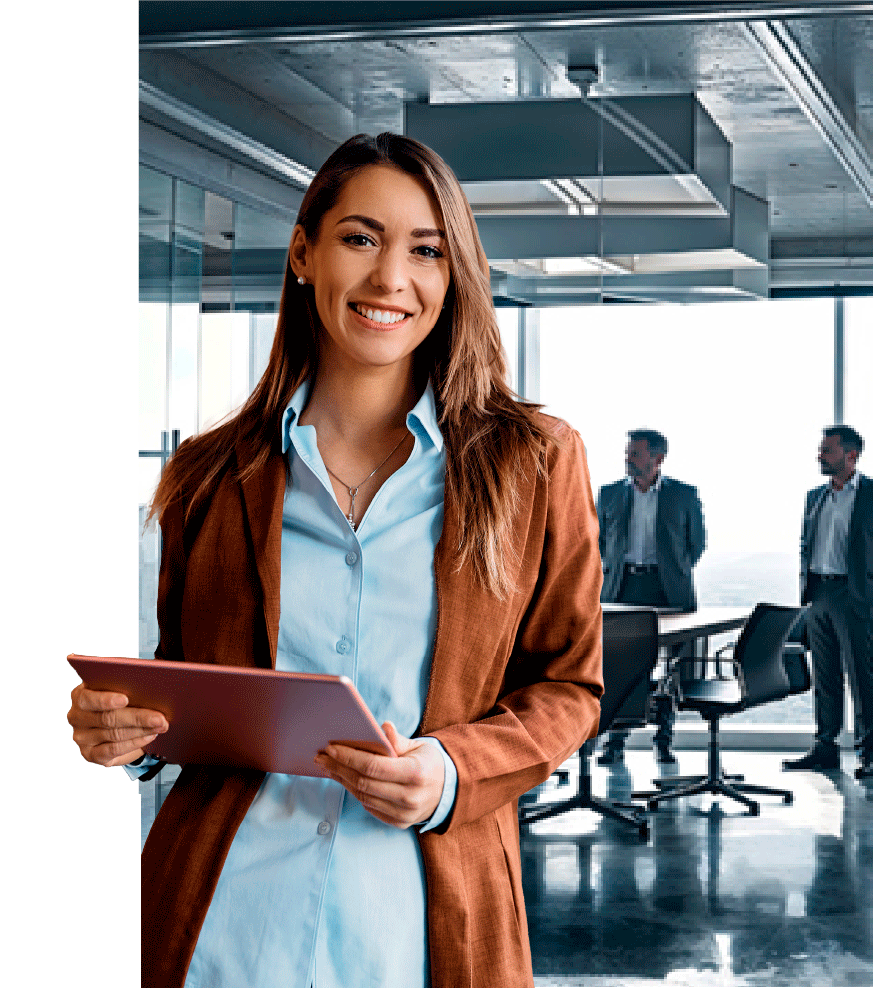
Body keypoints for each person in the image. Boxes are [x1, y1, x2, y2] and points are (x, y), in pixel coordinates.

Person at [67, 133, 604, 988]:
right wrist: (123, 733)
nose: (392, 278)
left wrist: (450, 771)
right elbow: (174, 683)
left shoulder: (533, 461)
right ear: (303, 253)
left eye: (425, 250)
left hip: (423, 929)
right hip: (221, 927)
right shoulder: (207, 474)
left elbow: (568, 687)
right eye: (361, 239)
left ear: (452, 273)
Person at [595, 429, 706, 765]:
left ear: (658, 458)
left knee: (672, 668)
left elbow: (696, 545)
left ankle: (664, 739)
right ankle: (615, 741)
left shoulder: (684, 495)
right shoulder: (610, 493)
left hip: (667, 589)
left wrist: (672, 572)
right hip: (623, 589)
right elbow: (599, 540)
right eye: (628, 452)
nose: (628, 458)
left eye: (636, 454)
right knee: (620, 666)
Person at [783, 425, 872, 780]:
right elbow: (807, 545)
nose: (820, 455)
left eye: (827, 450)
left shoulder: (869, 494)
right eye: (821, 449)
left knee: (862, 677)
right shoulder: (814, 496)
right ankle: (825, 748)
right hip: (818, 593)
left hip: (855, 597)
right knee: (825, 676)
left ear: (851, 455)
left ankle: (870, 753)